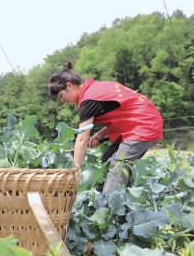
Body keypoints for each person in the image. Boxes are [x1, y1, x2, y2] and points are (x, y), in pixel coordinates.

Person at [48, 61, 163, 193]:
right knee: (108, 158)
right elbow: (123, 111)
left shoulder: (88, 99)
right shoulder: (97, 89)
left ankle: (109, 206)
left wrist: (75, 171)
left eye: (61, 96)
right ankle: (121, 195)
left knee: (118, 164)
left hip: (144, 124)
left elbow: (81, 140)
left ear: (69, 86)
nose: (62, 101)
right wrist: (100, 134)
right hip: (141, 119)